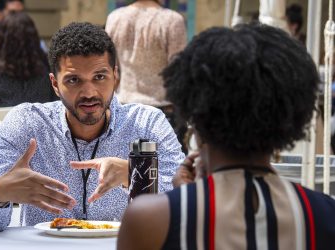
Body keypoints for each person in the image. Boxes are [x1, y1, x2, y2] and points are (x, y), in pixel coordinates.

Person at [117, 24, 335, 249]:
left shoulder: (150, 218)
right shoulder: (324, 214)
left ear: (196, 121)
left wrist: (184, 198)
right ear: (291, 119)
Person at [0, 22, 184, 232]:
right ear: (54, 84)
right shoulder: (27, 123)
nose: (89, 92)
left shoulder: (147, 123)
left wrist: (135, 175)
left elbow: (185, 202)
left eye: (99, 77)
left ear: (115, 76)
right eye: (74, 80)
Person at [105, 0, 187, 150]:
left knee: (128, 169)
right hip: (162, 112)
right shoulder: (172, 20)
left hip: (125, 110)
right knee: (162, 170)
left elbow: (110, 67)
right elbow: (178, 71)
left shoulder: (115, 18)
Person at [0, 12, 57, 111]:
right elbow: (56, 99)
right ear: (34, 38)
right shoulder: (47, 66)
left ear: (1, 40)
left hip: (5, 124)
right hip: (41, 124)